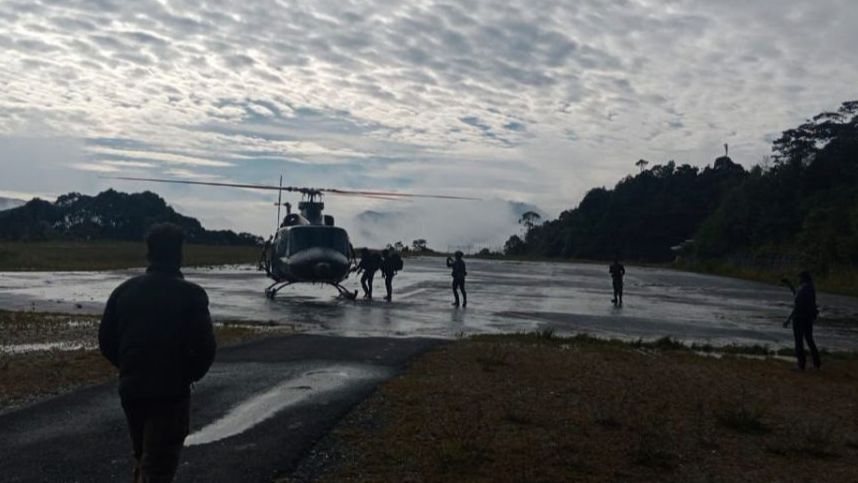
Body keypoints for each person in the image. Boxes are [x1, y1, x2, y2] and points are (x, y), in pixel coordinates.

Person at [99, 223, 216, 483]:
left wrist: (130, 366)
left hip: (132, 390)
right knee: (159, 467)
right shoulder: (192, 295)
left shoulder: (124, 291)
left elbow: (106, 341)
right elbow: (206, 348)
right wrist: (187, 374)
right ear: (179, 254)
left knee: (143, 456)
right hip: (170, 394)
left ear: (149, 253)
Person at [781, 271, 821, 371]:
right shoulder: (810, 288)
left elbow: (797, 305)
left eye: (800, 278)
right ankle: (817, 363)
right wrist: (789, 284)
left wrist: (788, 320)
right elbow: (796, 295)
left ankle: (801, 364)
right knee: (809, 339)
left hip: (799, 318)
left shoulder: (803, 289)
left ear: (803, 278)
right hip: (808, 318)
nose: (799, 280)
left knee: (799, 341)